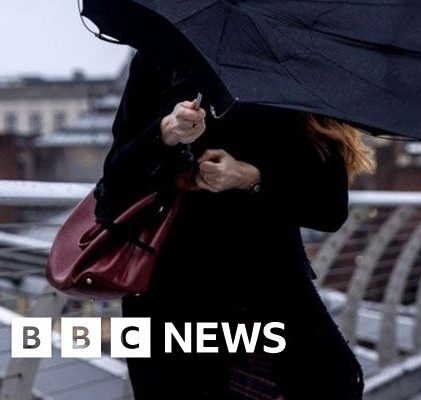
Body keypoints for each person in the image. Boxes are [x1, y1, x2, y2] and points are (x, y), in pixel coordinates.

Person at [95, 50, 374, 399]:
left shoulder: (295, 66)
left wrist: (250, 177)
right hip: (170, 293)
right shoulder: (160, 59)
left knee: (332, 383)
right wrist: (165, 134)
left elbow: (328, 208)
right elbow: (114, 185)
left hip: (265, 290)